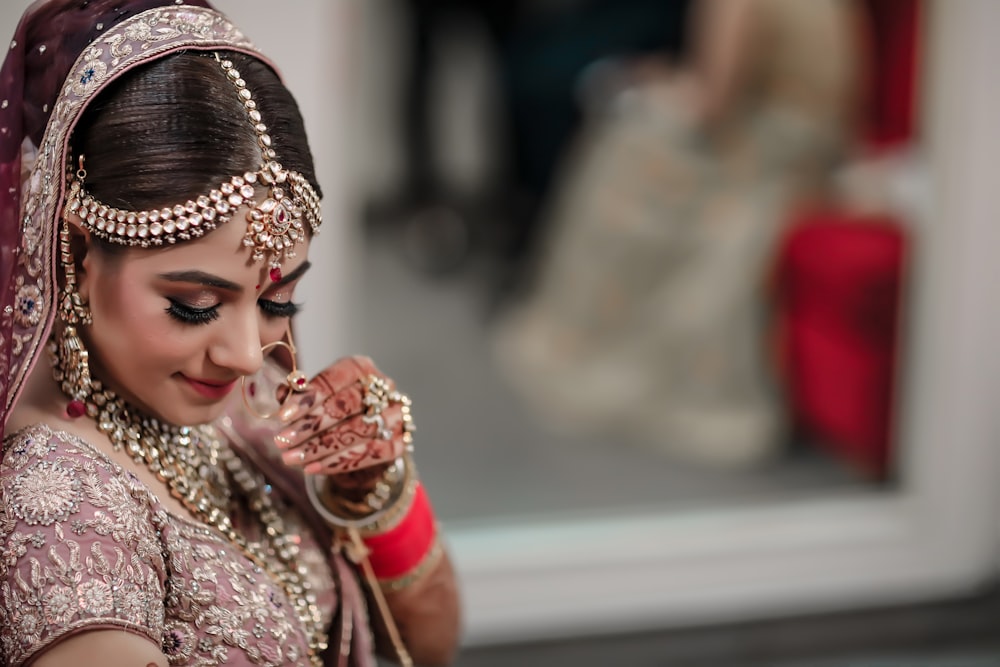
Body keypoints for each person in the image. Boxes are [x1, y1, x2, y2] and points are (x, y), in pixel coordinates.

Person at [0, 2, 460, 666]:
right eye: (192, 305)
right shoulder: (57, 506)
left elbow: (430, 642)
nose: (248, 353)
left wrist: (380, 493)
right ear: (75, 252)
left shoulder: (247, 408)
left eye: (277, 300)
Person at [491, 0, 865, 466]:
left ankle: (592, 334)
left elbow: (711, 103)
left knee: (622, 144)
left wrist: (646, 88)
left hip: (759, 152)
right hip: (815, 152)